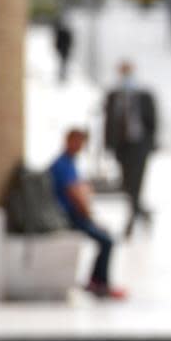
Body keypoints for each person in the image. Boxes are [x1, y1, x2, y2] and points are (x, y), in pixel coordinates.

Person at [49, 129, 126, 299]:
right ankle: (100, 283)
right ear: (68, 140)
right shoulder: (63, 164)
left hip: (73, 214)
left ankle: (96, 280)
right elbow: (75, 194)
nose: (79, 146)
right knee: (107, 241)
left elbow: (82, 188)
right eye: (77, 142)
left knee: (106, 239)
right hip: (69, 216)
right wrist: (90, 217)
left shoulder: (69, 163)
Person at [104, 60, 158, 239]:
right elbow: (108, 122)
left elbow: (153, 122)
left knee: (137, 182)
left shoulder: (144, 96)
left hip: (139, 146)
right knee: (127, 183)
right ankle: (141, 212)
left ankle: (131, 219)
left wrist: (151, 144)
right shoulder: (113, 96)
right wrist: (108, 145)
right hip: (122, 146)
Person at [53, 16, 73, 83]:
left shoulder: (64, 31)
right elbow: (58, 40)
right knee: (63, 63)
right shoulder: (63, 31)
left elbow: (70, 41)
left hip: (64, 49)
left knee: (63, 63)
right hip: (63, 49)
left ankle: (62, 75)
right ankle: (62, 75)